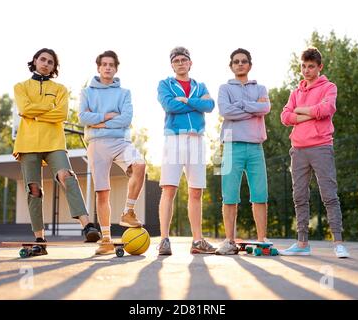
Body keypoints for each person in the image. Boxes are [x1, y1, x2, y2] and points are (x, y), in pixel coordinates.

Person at [13, 48, 101, 255]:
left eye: (50, 62)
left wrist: (35, 114)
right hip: (27, 143)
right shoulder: (20, 86)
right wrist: (44, 111)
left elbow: (61, 113)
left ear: (54, 67)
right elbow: (24, 109)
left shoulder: (60, 88)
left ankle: (88, 226)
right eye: (42, 59)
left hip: (54, 142)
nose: (45, 63)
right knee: (33, 190)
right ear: (34, 61)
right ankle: (40, 240)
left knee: (67, 176)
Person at [279, 47, 350, 258]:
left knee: (329, 195)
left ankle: (338, 242)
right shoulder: (296, 92)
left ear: (320, 67)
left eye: (311, 66)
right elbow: (284, 117)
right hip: (298, 149)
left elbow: (326, 109)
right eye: (303, 66)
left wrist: (299, 111)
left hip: (321, 146)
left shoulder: (329, 87)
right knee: (299, 196)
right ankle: (302, 244)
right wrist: (310, 113)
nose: (307, 70)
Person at [79, 50, 146, 255]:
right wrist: (108, 116)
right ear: (98, 67)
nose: (108, 67)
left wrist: (98, 122)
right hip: (96, 145)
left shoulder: (124, 93)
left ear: (116, 68)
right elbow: (83, 117)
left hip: (120, 141)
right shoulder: (87, 92)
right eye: (104, 64)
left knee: (140, 164)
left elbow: (126, 119)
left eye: (111, 64)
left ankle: (128, 212)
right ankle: (106, 240)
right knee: (102, 191)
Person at [156, 46, 216, 255]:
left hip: (197, 140)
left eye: (184, 60)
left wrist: (188, 100)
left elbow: (210, 106)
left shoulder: (200, 85)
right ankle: (164, 239)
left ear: (190, 63)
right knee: (169, 189)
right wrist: (196, 105)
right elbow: (169, 106)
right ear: (172, 64)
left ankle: (197, 241)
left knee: (196, 191)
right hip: (174, 138)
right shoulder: (165, 84)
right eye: (177, 60)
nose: (181, 63)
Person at [215, 48, 271, 255]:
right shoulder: (224, 88)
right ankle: (229, 241)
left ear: (250, 65)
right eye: (236, 61)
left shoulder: (261, 88)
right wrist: (252, 108)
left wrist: (241, 105)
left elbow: (265, 109)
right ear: (231, 66)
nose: (240, 64)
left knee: (260, 195)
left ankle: (261, 239)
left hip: (256, 147)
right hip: (230, 147)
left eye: (244, 61)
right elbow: (225, 111)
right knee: (229, 196)